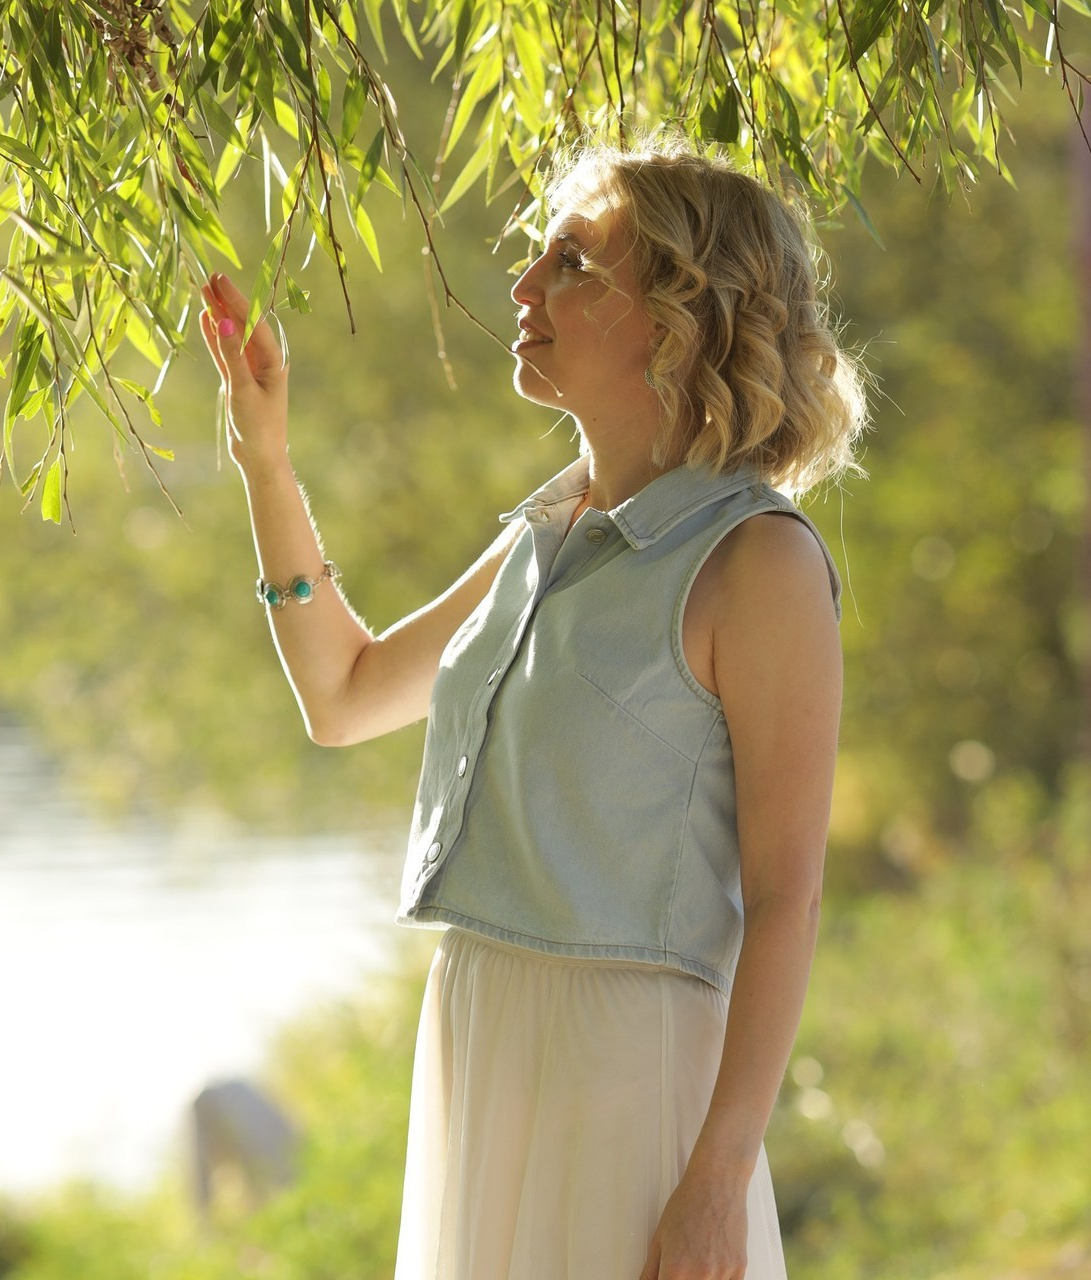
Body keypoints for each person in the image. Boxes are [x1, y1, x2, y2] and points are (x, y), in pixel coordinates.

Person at [199, 132, 865, 1280]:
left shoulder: (757, 562)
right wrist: (266, 460)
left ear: (675, 315)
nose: (520, 288)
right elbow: (343, 694)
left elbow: (785, 896)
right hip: (478, 1038)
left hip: (628, 1077)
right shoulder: (543, 532)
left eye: (570, 263)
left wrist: (715, 1174)